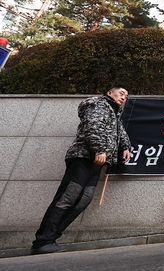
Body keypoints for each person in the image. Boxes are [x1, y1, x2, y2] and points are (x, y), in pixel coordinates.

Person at [31, 87, 131, 254]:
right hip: (83, 157)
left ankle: (52, 237)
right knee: (68, 197)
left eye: (126, 96)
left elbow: (118, 131)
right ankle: (42, 240)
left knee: (84, 199)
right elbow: (93, 125)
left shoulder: (114, 112)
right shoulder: (98, 104)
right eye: (121, 93)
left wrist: (125, 147)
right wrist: (99, 149)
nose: (124, 97)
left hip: (97, 161)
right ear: (109, 93)